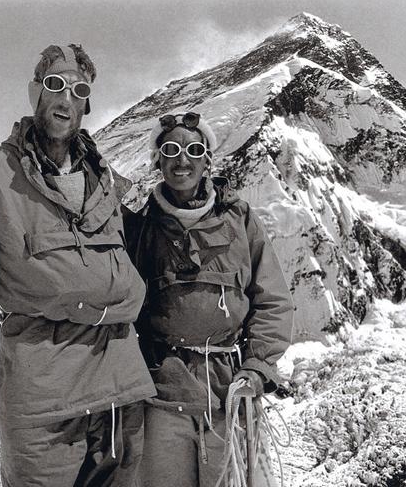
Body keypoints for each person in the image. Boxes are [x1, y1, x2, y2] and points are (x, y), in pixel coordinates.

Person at [0, 44, 156, 486]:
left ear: (86, 105)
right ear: (36, 92)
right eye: (55, 85)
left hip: (118, 389)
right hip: (41, 393)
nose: (65, 98)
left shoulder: (105, 178)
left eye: (78, 90)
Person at [124, 112, 294, 486]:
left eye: (193, 150)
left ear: (207, 161)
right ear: (158, 161)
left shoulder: (240, 219)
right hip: (163, 393)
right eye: (171, 150)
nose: (182, 160)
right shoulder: (142, 229)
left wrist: (258, 365)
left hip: (230, 391)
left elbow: (272, 298)